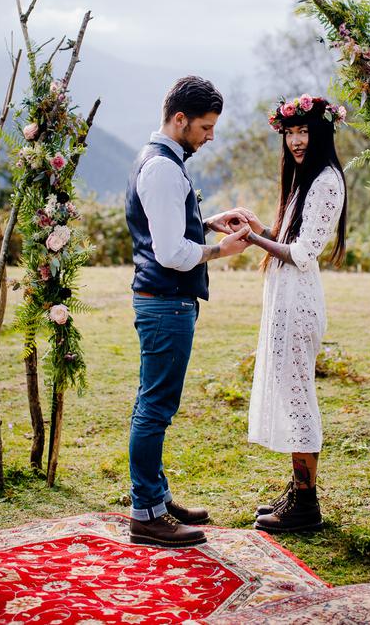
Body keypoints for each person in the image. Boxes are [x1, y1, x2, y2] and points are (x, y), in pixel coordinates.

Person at [125, 75, 250, 548]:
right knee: (155, 408)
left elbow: (173, 225)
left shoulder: (165, 162)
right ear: (179, 120)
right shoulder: (161, 168)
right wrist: (220, 250)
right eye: (205, 126)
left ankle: (156, 497)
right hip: (165, 303)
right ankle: (146, 514)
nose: (210, 136)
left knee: (154, 403)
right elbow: (171, 253)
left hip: (165, 303)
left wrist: (205, 219)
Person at [233, 94, 347, 534]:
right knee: (289, 391)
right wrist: (258, 226)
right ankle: (298, 493)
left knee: (299, 398)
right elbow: (287, 238)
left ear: (321, 133)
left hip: (299, 300)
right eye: (291, 133)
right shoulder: (306, 177)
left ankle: (307, 506)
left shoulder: (327, 181)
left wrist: (255, 240)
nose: (297, 141)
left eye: (304, 132)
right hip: (285, 297)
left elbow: (301, 253)